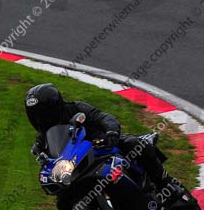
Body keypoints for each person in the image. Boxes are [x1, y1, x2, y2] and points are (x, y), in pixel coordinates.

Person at [24, 82, 183, 198]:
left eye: (44, 113)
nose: (41, 119)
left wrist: (111, 131)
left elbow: (103, 117)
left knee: (135, 144)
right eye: (36, 115)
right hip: (80, 164)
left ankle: (166, 185)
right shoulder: (43, 135)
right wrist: (41, 156)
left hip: (104, 145)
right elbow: (46, 154)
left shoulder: (76, 108)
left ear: (55, 106)